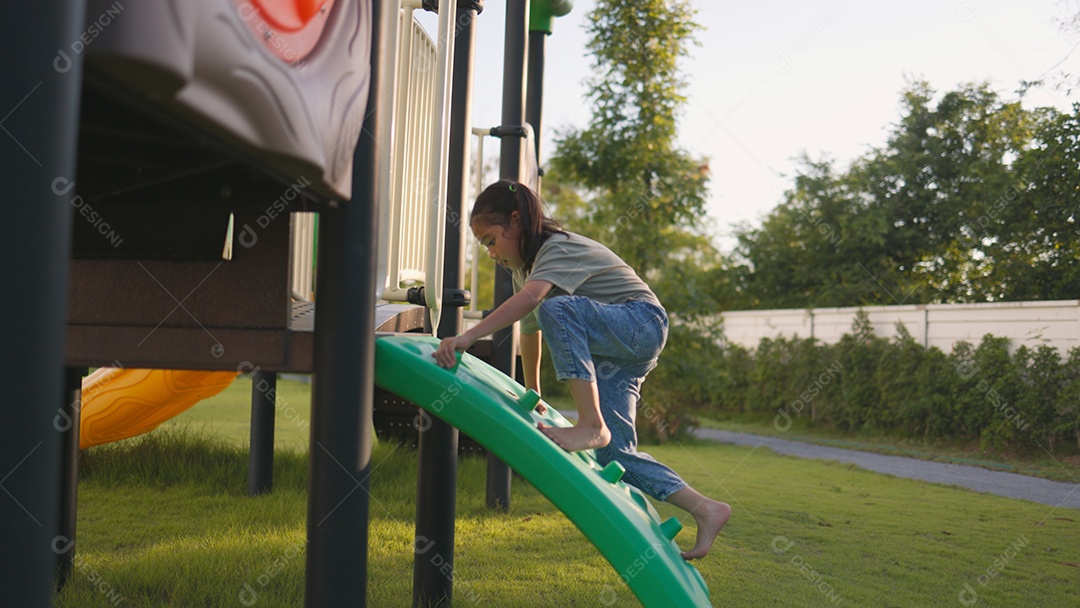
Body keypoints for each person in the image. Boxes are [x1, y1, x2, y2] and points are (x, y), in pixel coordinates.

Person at [432, 180, 730, 560]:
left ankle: (591, 424)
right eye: (484, 246)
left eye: (491, 240)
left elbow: (532, 305)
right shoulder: (527, 271)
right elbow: (529, 334)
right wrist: (534, 392)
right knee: (615, 457)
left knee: (558, 309)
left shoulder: (557, 248)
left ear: (516, 221)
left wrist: (467, 336)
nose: (490, 253)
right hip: (618, 353)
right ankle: (706, 508)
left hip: (641, 323)